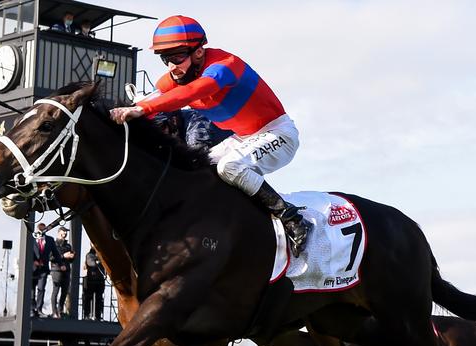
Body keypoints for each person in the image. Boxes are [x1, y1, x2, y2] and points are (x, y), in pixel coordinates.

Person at [110, 15, 312, 257]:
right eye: (166, 59)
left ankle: (292, 219)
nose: (172, 66)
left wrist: (143, 108)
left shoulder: (225, 65)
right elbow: (155, 100)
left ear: (198, 52)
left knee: (230, 166)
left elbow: (195, 90)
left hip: (278, 133)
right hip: (244, 137)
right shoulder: (175, 77)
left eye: (177, 57)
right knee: (194, 168)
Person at [31, 223, 61, 317]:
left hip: (43, 268)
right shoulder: (31, 239)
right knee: (31, 289)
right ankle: (32, 309)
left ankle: (39, 309)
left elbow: (55, 253)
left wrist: (61, 264)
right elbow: (28, 252)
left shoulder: (50, 240)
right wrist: (34, 261)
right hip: (32, 268)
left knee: (41, 289)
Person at [50, 226, 75, 318]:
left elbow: (71, 260)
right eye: (63, 231)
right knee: (55, 291)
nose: (65, 233)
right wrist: (63, 256)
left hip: (67, 271)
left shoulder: (68, 245)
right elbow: (51, 257)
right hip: (56, 270)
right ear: (59, 232)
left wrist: (72, 256)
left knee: (65, 291)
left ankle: (60, 310)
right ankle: (54, 312)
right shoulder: (53, 243)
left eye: (66, 232)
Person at [83, 245, 105, 320]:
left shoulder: (102, 255)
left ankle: (98, 315)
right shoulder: (89, 255)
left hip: (100, 280)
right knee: (88, 298)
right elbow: (92, 263)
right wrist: (99, 259)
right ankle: (87, 315)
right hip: (91, 280)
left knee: (99, 298)